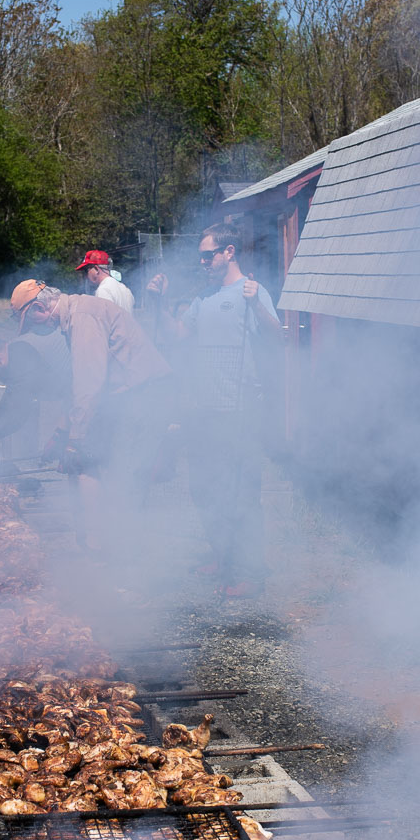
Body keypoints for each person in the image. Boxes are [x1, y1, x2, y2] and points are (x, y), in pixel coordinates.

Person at [147, 223, 283, 598]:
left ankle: (251, 574)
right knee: (204, 489)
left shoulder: (251, 291)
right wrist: (159, 303)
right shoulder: (204, 297)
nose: (203, 262)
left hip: (241, 410)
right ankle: (224, 557)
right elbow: (177, 335)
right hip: (203, 411)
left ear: (229, 252)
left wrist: (256, 305)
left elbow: (278, 337)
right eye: (201, 257)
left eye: (208, 255)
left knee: (241, 494)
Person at [8, 280, 171, 551]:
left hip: (145, 397)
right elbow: (81, 385)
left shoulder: (82, 318)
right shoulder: (77, 314)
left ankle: (125, 556)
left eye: (32, 322)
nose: (35, 329)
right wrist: (62, 432)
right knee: (114, 469)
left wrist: (75, 442)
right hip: (131, 396)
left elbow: (89, 384)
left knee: (124, 475)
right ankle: (114, 545)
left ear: (39, 308)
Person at [0, 321, 72, 463]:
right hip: (81, 390)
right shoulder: (15, 352)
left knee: (80, 458)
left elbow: (17, 412)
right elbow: (9, 401)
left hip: (95, 385)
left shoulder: (22, 358)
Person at [75, 250, 134, 314]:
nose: (85, 276)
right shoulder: (125, 289)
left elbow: (104, 319)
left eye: (86, 271)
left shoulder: (103, 290)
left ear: (96, 269)